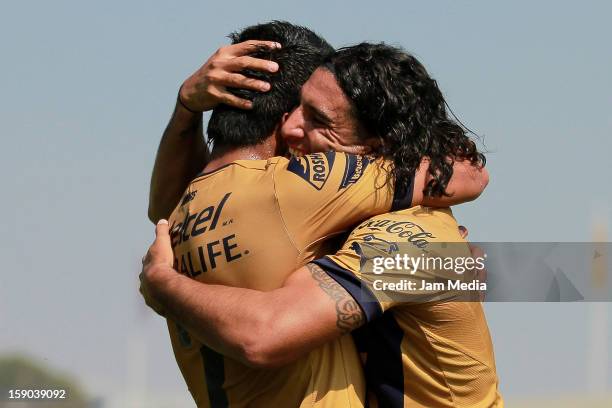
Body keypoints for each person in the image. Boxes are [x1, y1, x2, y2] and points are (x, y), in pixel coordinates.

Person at [143, 42, 501, 407]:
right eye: (296, 106)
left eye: (319, 120)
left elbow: (263, 335)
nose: (290, 125)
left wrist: (165, 285)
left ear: (372, 148)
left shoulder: (403, 238)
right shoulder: (348, 217)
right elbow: (177, 206)